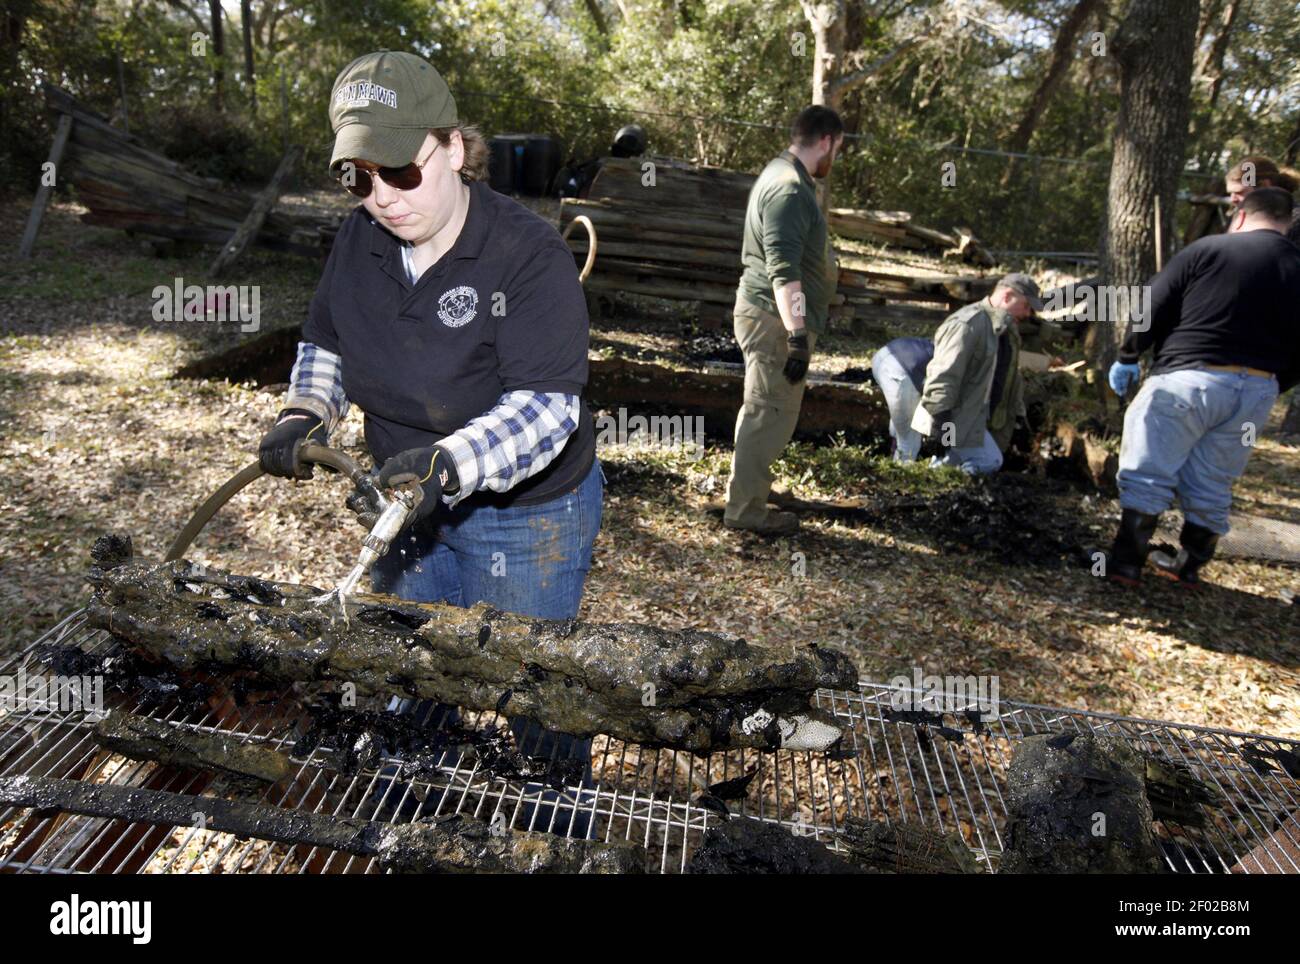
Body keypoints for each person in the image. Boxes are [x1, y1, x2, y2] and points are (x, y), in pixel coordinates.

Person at [256, 52, 602, 828]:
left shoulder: (528, 256)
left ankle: (557, 825)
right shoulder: (360, 241)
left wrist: (451, 463)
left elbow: (548, 409)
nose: (382, 198)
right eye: (359, 178)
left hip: (526, 513)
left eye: (401, 173)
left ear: (452, 147)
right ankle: (412, 817)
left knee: (532, 684)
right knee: (411, 668)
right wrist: (305, 412)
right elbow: (328, 345)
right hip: (407, 504)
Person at [1104, 187, 1300, 586]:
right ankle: (1189, 565)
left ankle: (1125, 563)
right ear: (1287, 223)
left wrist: (1128, 354)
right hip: (1254, 393)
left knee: (1148, 469)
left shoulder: (1207, 251)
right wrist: (1273, 386)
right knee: (1214, 477)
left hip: (1186, 381)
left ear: (1241, 216)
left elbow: (1151, 304)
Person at [724, 106, 844, 535]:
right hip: (775, 321)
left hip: (772, 317)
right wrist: (796, 336)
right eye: (838, 149)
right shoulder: (790, 188)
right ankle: (745, 511)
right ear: (827, 141)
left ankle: (749, 491)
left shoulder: (780, 172)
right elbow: (783, 270)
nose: (836, 158)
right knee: (770, 412)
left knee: (763, 408)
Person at [912, 274, 1042, 475]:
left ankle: (937, 478)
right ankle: (950, 485)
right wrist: (942, 429)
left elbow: (1010, 380)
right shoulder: (968, 323)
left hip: (975, 419)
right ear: (1007, 296)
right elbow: (943, 376)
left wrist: (1019, 418)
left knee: (952, 464)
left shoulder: (1008, 332)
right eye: (1025, 306)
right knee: (990, 461)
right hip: (952, 419)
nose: (1027, 313)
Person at [871, 337, 934, 462]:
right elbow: (948, 409)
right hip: (901, 371)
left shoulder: (947, 347)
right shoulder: (959, 371)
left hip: (881, 357)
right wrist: (948, 441)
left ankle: (892, 455)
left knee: (901, 426)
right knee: (909, 441)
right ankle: (898, 479)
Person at [1225, 155, 1300, 245]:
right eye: (1231, 193)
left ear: (1264, 185)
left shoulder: (1295, 220)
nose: (1233, 199)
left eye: (1239, 192)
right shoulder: (1240, 214)